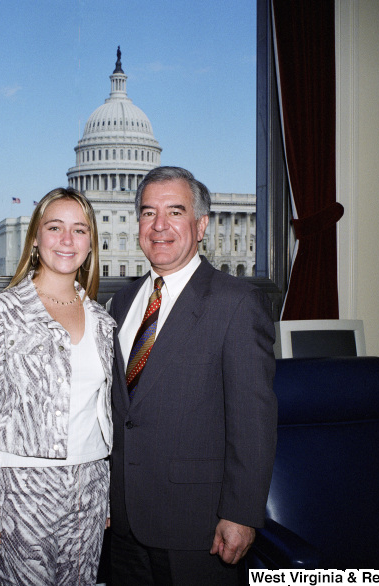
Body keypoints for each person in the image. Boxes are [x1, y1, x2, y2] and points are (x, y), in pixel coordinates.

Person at [108, 166, 277, 585]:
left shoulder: (237, 303)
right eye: (148, 213)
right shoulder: (121, 302)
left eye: (175, 212)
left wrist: (240, 514)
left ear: (201, 225)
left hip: (196, 526)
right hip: (121, 522)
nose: (159, 226)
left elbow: (252, 422)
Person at [0, 187, 116, 585]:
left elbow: (101, 412)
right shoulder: (1, 314)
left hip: (88, 487)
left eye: (79, 230)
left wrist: (104, 494)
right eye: (55, 227)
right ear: (35, 238)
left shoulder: (102, 320)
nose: (67, 240)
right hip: (21, 491)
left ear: (90, 244)